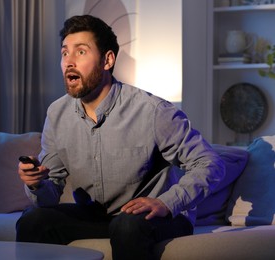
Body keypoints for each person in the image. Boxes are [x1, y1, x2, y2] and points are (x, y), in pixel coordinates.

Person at [16, 15, 225, 259]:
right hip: (97, 216)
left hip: (154, 217)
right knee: (33, 220)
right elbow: (49, 198)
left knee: (127, 225)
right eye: (64, 53)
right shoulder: (57, 114)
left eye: (81, 52)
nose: (69, 62)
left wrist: (167, 202)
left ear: (107, 60)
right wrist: (37, 182)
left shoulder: (152, 111)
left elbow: (210, 164)